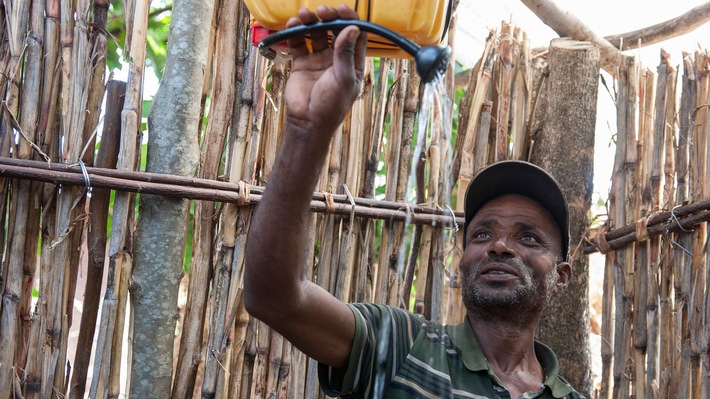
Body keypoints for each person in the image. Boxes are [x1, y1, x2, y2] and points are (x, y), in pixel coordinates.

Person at [244, 5, 586, 399]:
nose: (499, 245)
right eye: (482, 234)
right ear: (462, 262)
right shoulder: (400, 344)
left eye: (528, 238)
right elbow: (273, 297)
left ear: (561, 277)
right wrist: (307, 129)